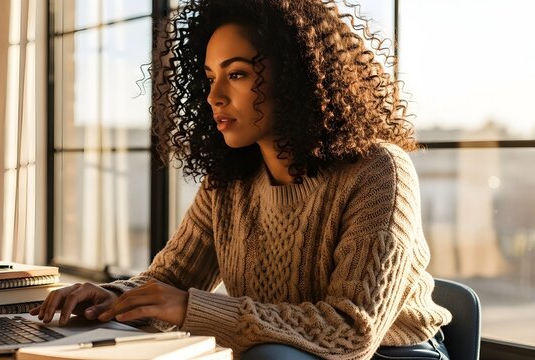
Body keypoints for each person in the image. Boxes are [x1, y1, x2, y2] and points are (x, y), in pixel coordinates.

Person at [30, 0, 452, 358]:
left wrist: (194, 309)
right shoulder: (228, 182)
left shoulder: (378, 171)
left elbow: (351, 330)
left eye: (237, 74)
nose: (214, 96)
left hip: (392, 354)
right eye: (211, 78)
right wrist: (114, 298)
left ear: (295, 76)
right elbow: (173, 282)